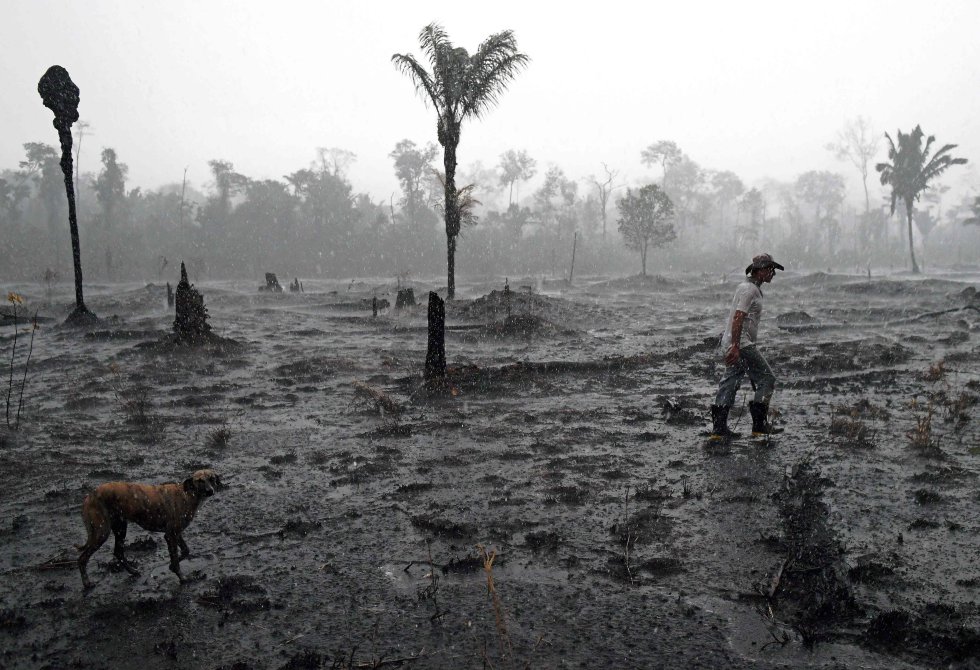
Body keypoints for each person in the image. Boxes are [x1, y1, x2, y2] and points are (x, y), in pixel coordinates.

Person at [709, 253, 784, 441]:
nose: (773, 274)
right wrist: (736, 346)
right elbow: (738, 317)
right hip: (741, 344)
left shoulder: (750, 288)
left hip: (737, 343)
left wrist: (734, 345)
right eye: (770, 270)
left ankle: (719, 430)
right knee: (767, 379)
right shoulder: (749, 290)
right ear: (760, 271)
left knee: (731, 380)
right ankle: (759, 426)